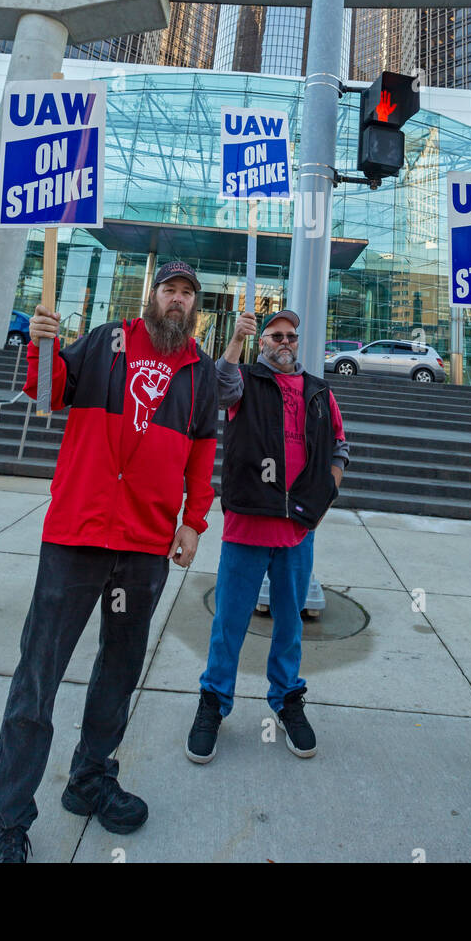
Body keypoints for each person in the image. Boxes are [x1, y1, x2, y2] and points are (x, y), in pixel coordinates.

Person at [0, 261, 218, 862]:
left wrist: (193, 522)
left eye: (187, 293)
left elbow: (201, 452)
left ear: (196, 308)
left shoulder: (201, 372)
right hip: (78, 533)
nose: (176, 299)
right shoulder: (105, 341)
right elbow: (49, 394)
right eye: (169, 289)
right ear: (152, 296)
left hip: (144, 545)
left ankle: (90, 778)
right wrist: (43, 345)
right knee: (39, 674)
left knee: (119, 669)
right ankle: (8, 819)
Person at [185, 309, 349, 763]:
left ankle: (287, 700)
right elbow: (217, 390)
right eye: (275, 335)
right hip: (248, 524)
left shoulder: (319, 390)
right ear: (263, 342)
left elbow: (340, 445)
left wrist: (327, 491)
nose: (284, 342)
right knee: (229, 622)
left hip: (298, 528)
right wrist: (236, 339)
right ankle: (214, 702)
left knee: (290, 623)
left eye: (291, 336)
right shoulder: (246, 380)